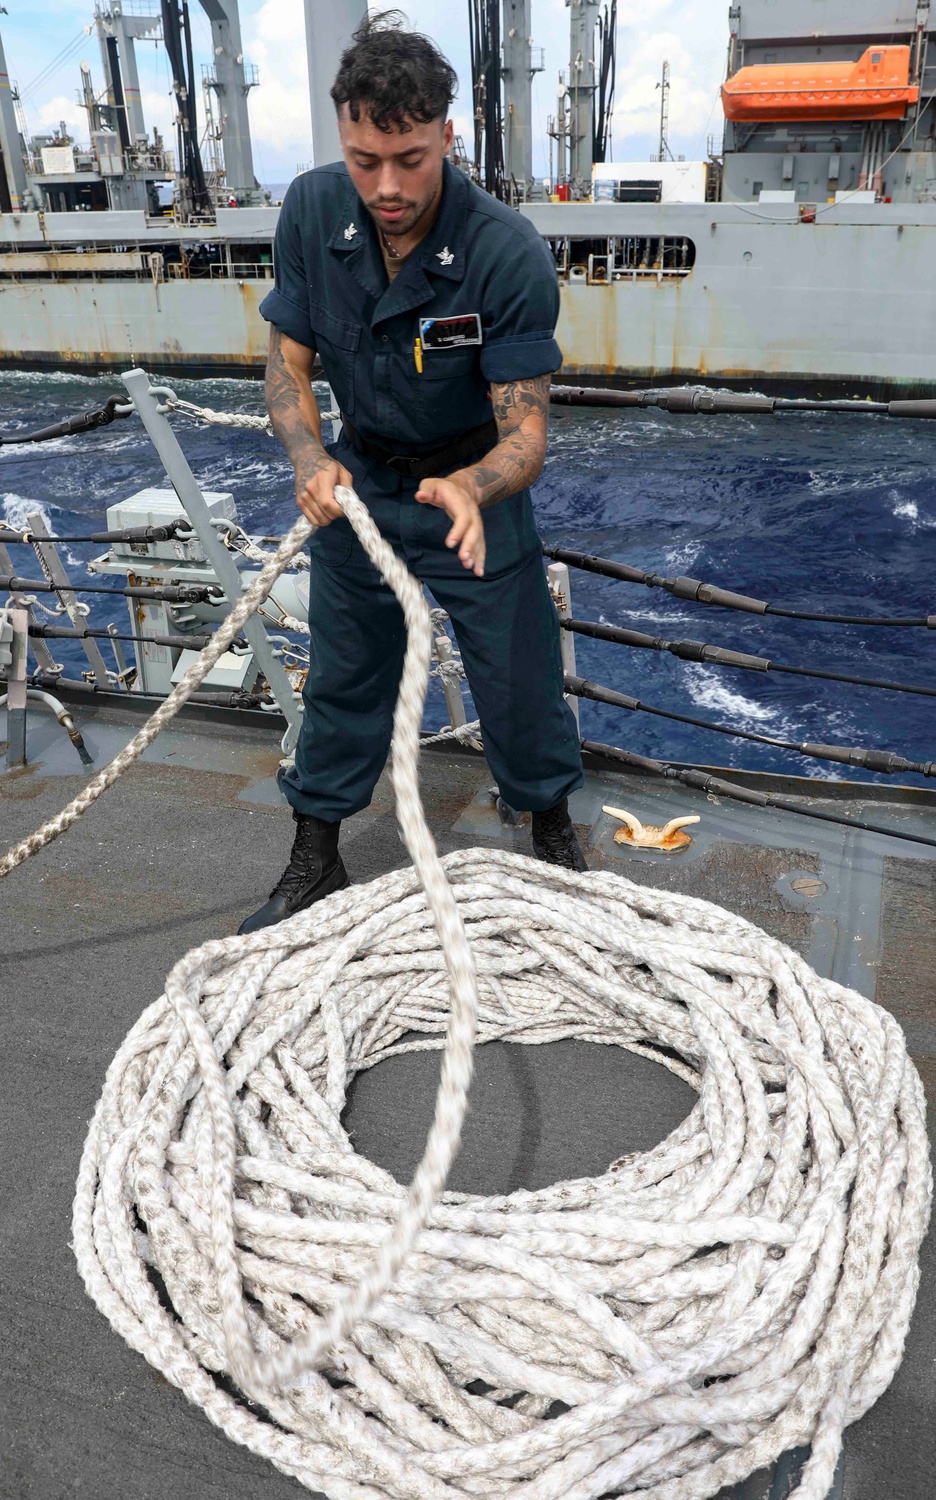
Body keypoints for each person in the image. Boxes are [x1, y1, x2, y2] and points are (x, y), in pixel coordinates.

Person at [239, 10, 585, 935]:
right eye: (363, 160)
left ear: (447, 136)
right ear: (342, 138)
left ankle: (553, 838)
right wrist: (311, 458)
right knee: (344, 676)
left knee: (518, 680)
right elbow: (289, 364)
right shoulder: (312, 210)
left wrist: (475, 486)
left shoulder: (505, 252)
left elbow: (529, 432)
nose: (385, 187)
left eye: (410, 160)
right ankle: (316, 857)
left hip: (469, 488)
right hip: (361, 484)